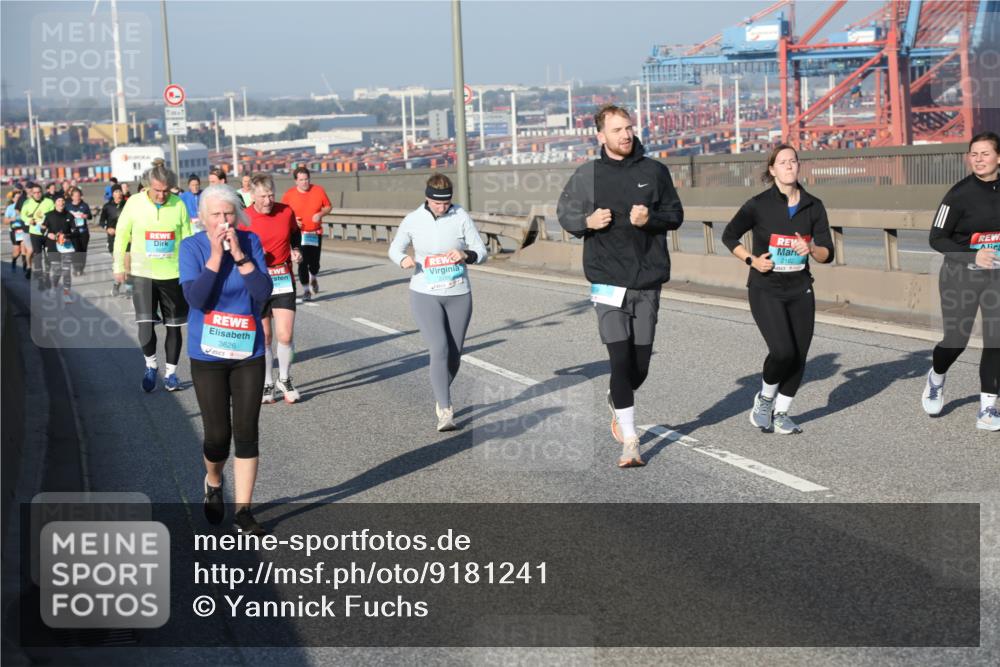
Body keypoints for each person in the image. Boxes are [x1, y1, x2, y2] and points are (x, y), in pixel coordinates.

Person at [557, 103, 683, 468]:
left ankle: (618, 398)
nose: (625, 135)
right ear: (601, 137)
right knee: (618, 357)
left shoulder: (654, 171)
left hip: (646, 279)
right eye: (617, 130)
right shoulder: (588, 175)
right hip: (606, 280)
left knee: (638, 365)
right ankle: (631, 440)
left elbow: (675, 216)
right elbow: (565, 214)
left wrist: (651, 218)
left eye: (628, 128)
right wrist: (587, 221)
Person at [722, 144, 835, 435]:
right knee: (782, 351)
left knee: (799, 354)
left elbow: (827, 254)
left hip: (800, 289)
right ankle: (764, 399)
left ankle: (782, 412)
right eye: (782, 162)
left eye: (793, 161)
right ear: (772, 170)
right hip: (765, 288)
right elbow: (729, 235)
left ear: (799, 167)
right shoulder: (759, 204)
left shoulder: (814, 205)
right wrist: (751, 260)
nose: (789, 166)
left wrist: (810, 248)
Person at [179, 185, 272, 535]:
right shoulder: (191, 247)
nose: (223, 221)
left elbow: (263, 293)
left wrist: (241, 257)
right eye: (216, 215)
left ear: (237, 215)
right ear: (203, 218)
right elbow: (197, 299)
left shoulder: (250, 242)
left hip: (248, 351)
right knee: (218, 436)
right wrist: (216, 255)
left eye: (229, 214)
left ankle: (244, 510)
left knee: (247, 431)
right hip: (208, 352)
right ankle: (214, 480)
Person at [389, 173, 488, 431]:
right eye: (436, 204)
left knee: (454, 356)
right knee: (439, 348)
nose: (442, 208)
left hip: (458, 294)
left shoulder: (460, 216)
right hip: (425, 293)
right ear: (427, 199)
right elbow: (394, 248)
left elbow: (482, 251)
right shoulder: (413, 219)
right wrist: (403, 260)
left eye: (445, 204)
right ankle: (445, 410)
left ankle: (439, 387)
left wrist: (465, 254)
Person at [921, 131, 1000, 431]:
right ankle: (936, 377)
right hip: (960, 277)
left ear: (998, 157)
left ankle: (988, 408)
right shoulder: (958, 195)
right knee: (956, 342)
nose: (978, 159)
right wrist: (971, 256)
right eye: (974, 154)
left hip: (996, 277)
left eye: (985, 153)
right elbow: (935, 237)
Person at [113, 159, 193, 392]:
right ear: (147, 186)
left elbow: (188, 239)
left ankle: (171, 374)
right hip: (142, 273)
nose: (161, 195)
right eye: (157, 191)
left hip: (173, 274)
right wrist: (118, 266)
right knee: (145, 323)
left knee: (174, 326)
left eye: (165, 191)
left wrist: (191, 271)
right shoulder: (134, 204)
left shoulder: (178, 205)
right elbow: (121, 236)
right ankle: (150, 366)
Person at [243, 173, 302, 404]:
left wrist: (296, 250)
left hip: (282, 277)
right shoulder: (244, 217)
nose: (268, 200)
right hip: (257, 280)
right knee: (265, 337)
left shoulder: (285, 211)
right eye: (263, 196)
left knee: (285, 335)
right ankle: (268, 382)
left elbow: (295, 235)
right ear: (253, 196)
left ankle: (285, 379)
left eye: (271, 195)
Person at [281, 166, 331, 301]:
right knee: (302, 262)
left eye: (307, 179)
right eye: (301, 180)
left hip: (315, 233)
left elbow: (328, 206)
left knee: (315, 263)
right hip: (298, 234)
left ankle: (313, 277)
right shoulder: (289, 195)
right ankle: (306, 290)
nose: (305, 182)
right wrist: (292, 220)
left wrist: (320, 214)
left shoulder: (318, 190)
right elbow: (283, 213)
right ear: (296, 181)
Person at [43, 195, 79, 303]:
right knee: (57, 271)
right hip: (53, 246)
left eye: (63, 201)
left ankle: (66, 294)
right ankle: (54, 288)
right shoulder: (48, 216)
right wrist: (48, 234)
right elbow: (41, 229)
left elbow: (76, 232)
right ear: (55, 203)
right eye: (58, 201)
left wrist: (67, 237)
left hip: (66, 246)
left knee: (67, 271)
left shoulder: (70, 216)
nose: (61, 203)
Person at [21, 183, 55, 285]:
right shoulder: (27, 203)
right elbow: (23, 215)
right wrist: (28, 220)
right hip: (35, 233)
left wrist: (47, 224)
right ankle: (40, 278)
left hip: (47, 232)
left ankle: (47, 275)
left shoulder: (48, 201)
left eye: (39, 192)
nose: (37, 194)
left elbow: (53, 215)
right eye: (35, 193)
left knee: (48, 255)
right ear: (32, 194)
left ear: (42, 192)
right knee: (38, 255)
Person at [100, 185, 128, 296]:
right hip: (113, 239)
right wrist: (108, 228)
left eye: (120, 191)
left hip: (126, 238)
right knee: (118, 262)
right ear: (112, 194)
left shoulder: (127, 204)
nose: (119, 193)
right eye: (116, 191)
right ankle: (117, 284)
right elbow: (102, 221)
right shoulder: (107, 207)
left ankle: (128, 288)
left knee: (126, 264)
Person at [65, 187, 92, 276]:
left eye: (79, 196)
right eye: (75, 196)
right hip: (73, 232)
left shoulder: (85, 205)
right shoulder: (68, 206)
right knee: (75, 250)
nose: (77, 197)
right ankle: (76, 267)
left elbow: (90, 216)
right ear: (72, 197)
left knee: (83, 251)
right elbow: (64, 218)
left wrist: (86, 216)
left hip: (83, 231)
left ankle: (81, 268)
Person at [5, 189, 28, 275]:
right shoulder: (10, 208)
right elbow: (5, 221)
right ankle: (14, 261)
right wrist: (12, 219)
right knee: (17, 251)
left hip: (23, 229)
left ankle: (25, 268)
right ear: (13, 199)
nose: (18, 199)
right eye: (17, 198)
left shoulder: (24, 205)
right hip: (14, 230)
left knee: (24, 248)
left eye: (20, 197)